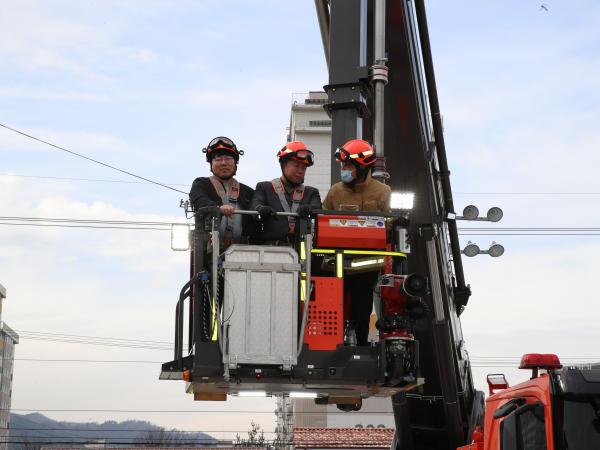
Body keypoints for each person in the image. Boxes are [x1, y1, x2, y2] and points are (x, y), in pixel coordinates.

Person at [322, 139, 391, 345]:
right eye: (343, 165)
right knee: (333, 305)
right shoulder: (336, 191)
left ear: (363, 167)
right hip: (337, 261)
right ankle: (331, 344)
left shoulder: (382, 192)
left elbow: (390, 225)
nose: (344, 170)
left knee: (362, 308)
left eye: (348, 165)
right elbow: (323, 219)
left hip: (367, 263)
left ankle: (360, 344)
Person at [250, 141, 322, 244]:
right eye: (296, 166)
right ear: (283, 164)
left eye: (303, 168)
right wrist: (260, 209)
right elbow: (255, 205)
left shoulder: (311, 193)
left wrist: (310, 209)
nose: (301, 171)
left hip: (300, 253)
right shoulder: (264, 187)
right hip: (268, 253)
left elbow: (317, 209)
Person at [189, 136, 255, 245]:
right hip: (209, 249)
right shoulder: (201, 184)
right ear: (211, 164)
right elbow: (199, 201)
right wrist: (218, 208)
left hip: (243, 251)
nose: (223, 163)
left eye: (228, 158)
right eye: (218, 159)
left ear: (235, 163)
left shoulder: (248, 192)